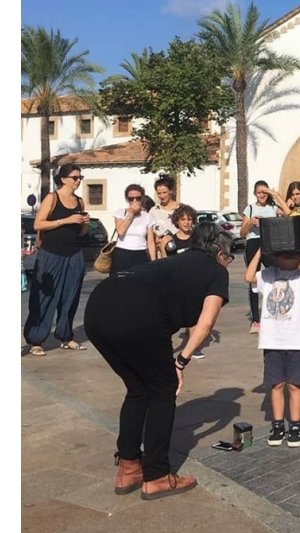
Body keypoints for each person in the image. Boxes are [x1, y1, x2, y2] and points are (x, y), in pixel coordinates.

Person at [84, 223, 233, 499]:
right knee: (163, 392)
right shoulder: (216, 270)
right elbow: (206, 323)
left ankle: (129, 467)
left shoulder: (176, 261)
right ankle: (157, 475)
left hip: (97, 309)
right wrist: (181, 362)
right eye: (228, 256)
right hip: (139, 315)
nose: (228, 261)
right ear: (220, 252)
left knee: (139, 389)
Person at [244, 243, 300, 448]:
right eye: (283, 255)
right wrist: (260, 251)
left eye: (292, 255)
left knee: (294, 386)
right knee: (276, 384)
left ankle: (295, 426)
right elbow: (249, 277)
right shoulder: (268, 275)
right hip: (272, 341)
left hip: (296, 342)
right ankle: (278, 425)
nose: (288, 258)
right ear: (275, 257)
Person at [24, 163, 91, 356]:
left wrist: (84, 224)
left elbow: (82, 232)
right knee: (44, 297)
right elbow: (38, 223)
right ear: (63, 179)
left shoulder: (80, 202)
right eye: (75, 178)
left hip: (74, 254)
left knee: (70, 296)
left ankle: (66, 336)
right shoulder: (52, 198)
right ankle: (36, 340)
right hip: (51, 253)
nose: (78, 181)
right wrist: (65, 220)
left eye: (80, 178)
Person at [240, 180, 291, 334]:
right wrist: (249, 223)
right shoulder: (249, 209)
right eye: (259, 192)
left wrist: (275, 194)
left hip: (270, 244)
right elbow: (242, 234)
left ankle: (277, 312)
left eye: (264, 192)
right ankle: (256, 320)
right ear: (255, 194)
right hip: (253, 244)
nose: (262, 195)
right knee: (253, 280)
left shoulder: (273, 207)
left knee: (276, 277)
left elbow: (288, 213)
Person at [113, 184, 157, 274]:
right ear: (127, 199)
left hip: (140, 253)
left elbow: (151, 242)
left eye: (138, 198)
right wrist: (131, 214)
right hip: (122, 253)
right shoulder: (120, 213)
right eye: (131, 199)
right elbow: (120, 231)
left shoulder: (148, 217)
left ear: (142, 199)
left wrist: (154, 262)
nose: (134, 201)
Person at [149, 175, 180, 255]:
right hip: (159, 252)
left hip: (177, 251)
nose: (162, 196)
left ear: (171, 191)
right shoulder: (153, 211)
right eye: (159, 193)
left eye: (164, 192)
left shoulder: (180, 209)